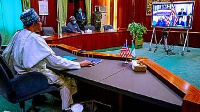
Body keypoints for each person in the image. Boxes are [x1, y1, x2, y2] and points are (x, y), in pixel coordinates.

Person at [2, 8, 93, 112]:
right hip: (33, 76)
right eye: (40, 21)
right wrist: (79, 64)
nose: (41, 23)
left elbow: (6, 55)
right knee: (66, 82)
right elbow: (55, 62)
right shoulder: (35, 38)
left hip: (19, 75)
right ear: (33, 24)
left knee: (56, 74)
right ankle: (66, 109)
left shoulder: (17, 34)